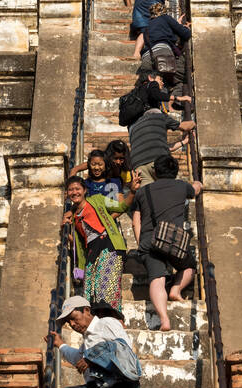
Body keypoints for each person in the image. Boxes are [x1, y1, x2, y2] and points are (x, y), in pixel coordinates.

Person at [131, 154, 203, 330]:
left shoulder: (142, 191)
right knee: (189, 266)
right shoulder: (181, 186)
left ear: (155, 172)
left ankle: (164, 319)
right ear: (176, 171)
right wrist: (198, 183)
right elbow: (195, 190)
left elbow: (135, 221)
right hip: (173, 238)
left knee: (157, 277)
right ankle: (176, 290)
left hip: (149, 239)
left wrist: (142, 244)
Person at [64, 174, 140, 311]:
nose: (74, 192)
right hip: (92, 251)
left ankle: (114, 321)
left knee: (106, 289)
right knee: (89, 293)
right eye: (70, 190)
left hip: (108, 244)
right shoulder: (73, 216)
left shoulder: (98, 199)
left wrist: (133, 191)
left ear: (85, 190)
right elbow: (79, 244)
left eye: (77, 189)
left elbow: (122, 207)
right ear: (67, 193)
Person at [127, 82, 195, 185]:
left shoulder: (134, 126)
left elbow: (168, 148)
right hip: (157, 163)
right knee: (165, 190)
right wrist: (195, 123)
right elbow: (184, 126)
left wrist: (183, 142)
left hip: (138, 166)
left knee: (148, 195)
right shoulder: (160, 117)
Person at [133, 0, 191, 90]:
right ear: (164, 11)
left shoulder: (147, 26)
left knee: (148, 86)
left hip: (147, 57)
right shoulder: (165, 18)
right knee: (180, 79)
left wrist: (136, 52)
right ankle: (173, 99)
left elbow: (146, 36)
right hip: (162, 54)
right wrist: (184, 27)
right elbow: (185, 34)